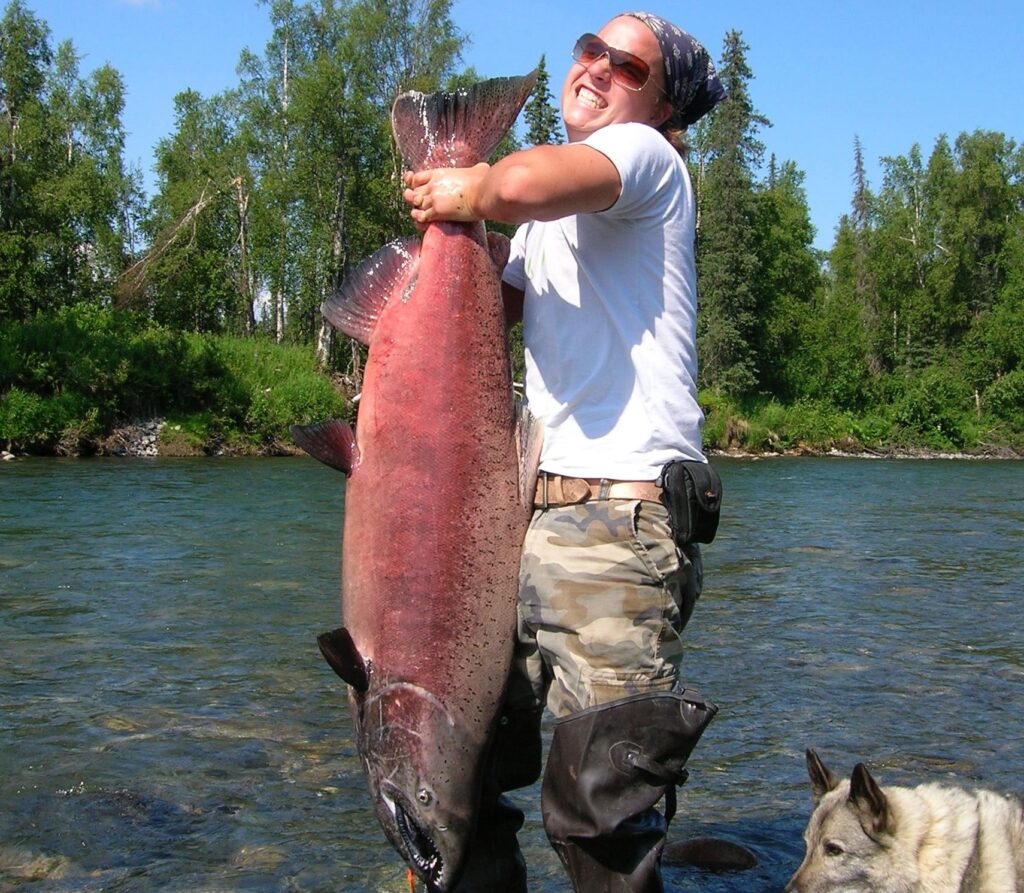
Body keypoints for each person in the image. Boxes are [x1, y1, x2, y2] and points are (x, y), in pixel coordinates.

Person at [403, 12, 725, 893]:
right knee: (459, 773)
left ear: (660, 107)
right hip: (517, 520)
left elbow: (523, 182)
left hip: (620, 527)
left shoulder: (646, 160)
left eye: (627, 65)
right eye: (591, 46)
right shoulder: (548, 217)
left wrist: (470, 186)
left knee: (600, 811)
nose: (596, 66)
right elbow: (486, 306)